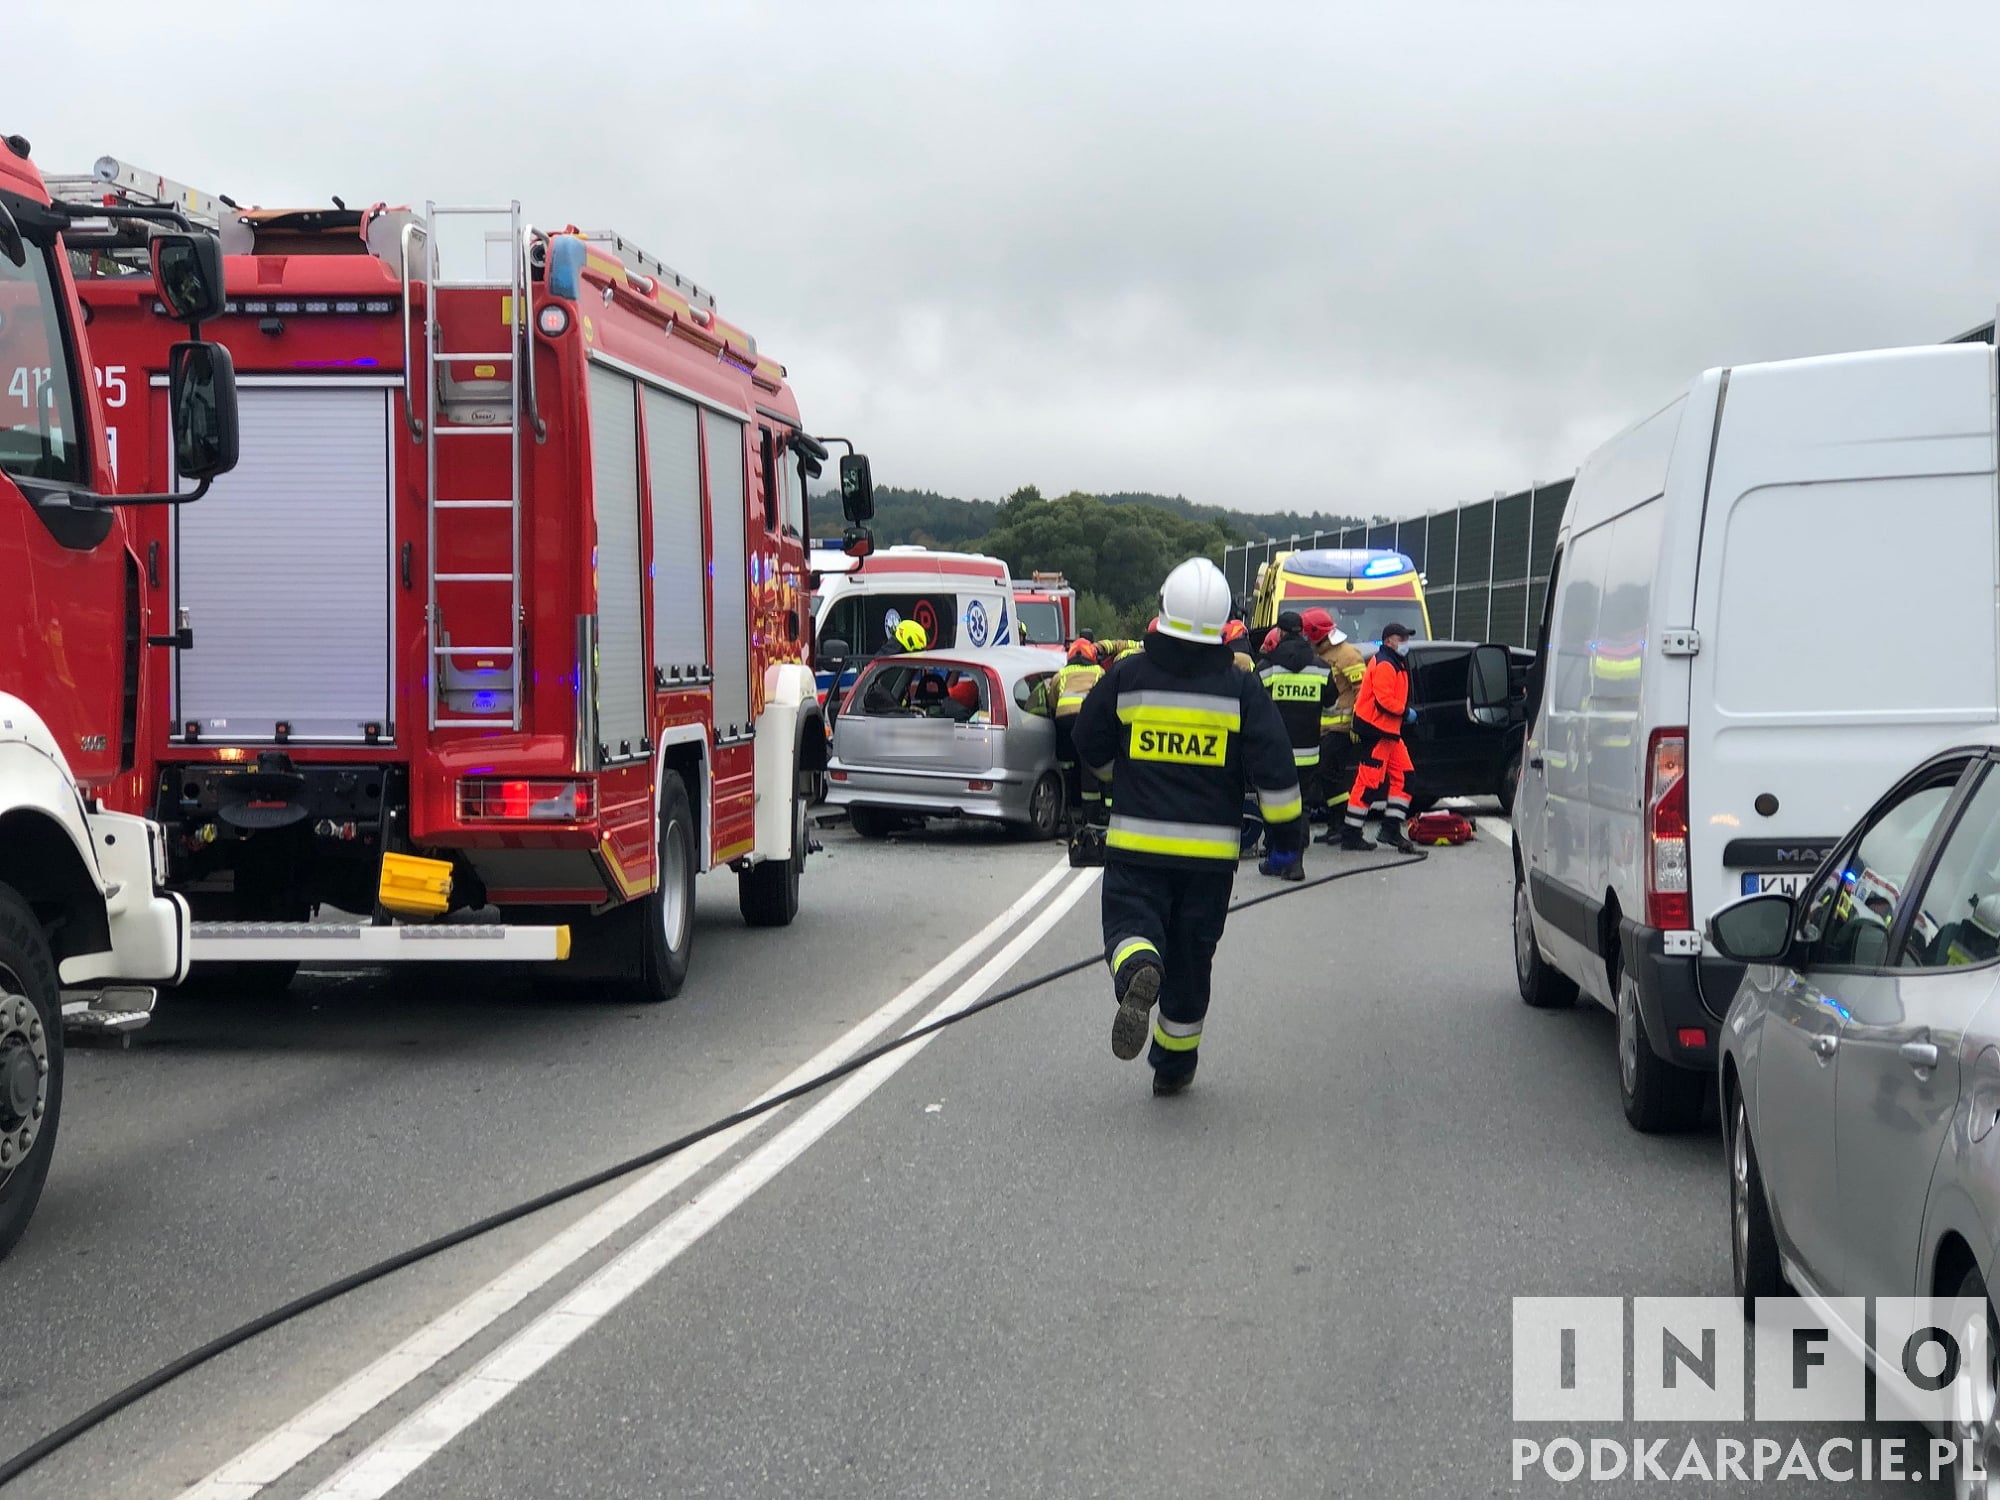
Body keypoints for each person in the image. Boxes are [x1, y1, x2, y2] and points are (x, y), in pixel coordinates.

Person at [1071, 557, 1304, 1096]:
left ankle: (1136, 969)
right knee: (1193, 959)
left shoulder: (1128, 675)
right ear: (1225, 624)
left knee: (1131, 925)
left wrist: (1116, 777)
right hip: (1208, 862)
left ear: (1163, 613)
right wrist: (1287, 838)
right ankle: (1173, 1067)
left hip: (1136, 848)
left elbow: (1087, 739)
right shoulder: (1241, 690)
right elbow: (1275, 766)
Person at [1253, 611, 1334, 881]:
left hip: (1275, 753)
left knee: (1275, 806)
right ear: (1302, 632)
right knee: (1302, 808)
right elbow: (1332, 706)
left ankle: (1277, 859)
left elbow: (1253, 709)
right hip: (1309, 752)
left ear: (1280, 633)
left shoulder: (1267, 668)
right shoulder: (1321, 667)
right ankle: (1295, 863)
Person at [1338, 621, 1418, 852]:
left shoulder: (1394, 662)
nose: (1405, 643)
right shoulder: (1386, 664)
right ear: (1389, 641)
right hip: (1377, 731)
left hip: (1388, 731)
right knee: (1368, 783)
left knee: (1405, 777)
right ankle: (1351, 834)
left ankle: (1390, 830)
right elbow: (1384, 700)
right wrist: (1405, 712)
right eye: (1402, 638)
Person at [1300, 609, 1368, 842]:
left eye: (1307, 634)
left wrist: (1358, 723)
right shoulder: (1324, 653)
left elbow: (1363, 691)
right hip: (1325, 728)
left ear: (1316, 633)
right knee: (1330, 776)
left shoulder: (1347, 655)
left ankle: (1344, 824)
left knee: (1327, 772)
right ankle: (1337, 825)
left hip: (1342, 728)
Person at [1049, 639, 1105, 823]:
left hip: (1063, 721)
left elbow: (1052, 700)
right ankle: (1091, 818)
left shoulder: (1062, 674)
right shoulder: (1099, 672)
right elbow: (1105, 698)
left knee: (1065, 764)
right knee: (1088, 767)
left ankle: (1064, 811)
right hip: (1087, 720)